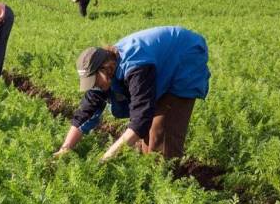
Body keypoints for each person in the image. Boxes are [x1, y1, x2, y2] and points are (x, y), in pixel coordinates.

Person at [54, 26, 210, 161]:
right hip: (162, 64)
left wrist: (107, 157)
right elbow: (85, 113)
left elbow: (140, 120)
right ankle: (151, 175)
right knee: (149, 136)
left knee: (161, 133)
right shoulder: (106, 73)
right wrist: (65, 149)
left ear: (106, 68)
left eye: (94, 81)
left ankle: (165, 183)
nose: (94, 86)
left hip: (185, 58)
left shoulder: (136, 68)